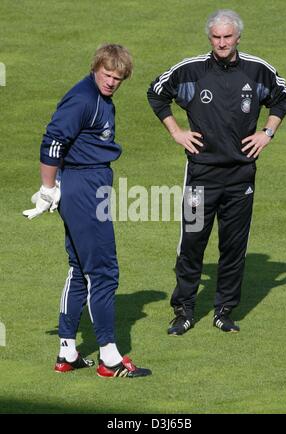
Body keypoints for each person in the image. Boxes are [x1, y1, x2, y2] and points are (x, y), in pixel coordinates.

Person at [147, 10, 286, 335]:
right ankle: (183, 311)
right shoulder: (191, 70)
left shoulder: (258, 70)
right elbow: (156, 93)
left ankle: (224, 311)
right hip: (201, 176)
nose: (222, 42)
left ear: (238, 37)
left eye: (228, 37)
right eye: (216, 37)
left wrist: (266, 134)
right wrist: (176, 132)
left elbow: (282, 98)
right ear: (209, 37)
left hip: (241, 177)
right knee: (192, 245)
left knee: (233, 247)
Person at [23, 43, 151, 378]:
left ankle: (67, 352)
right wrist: (48, 188)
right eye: (107, 75)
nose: (111, 82)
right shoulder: (83, 98)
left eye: (118, 78)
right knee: (104, 272)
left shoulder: (100, 98)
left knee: (80, 267)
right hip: (84, 188)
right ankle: (110, 358)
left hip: (86, 183)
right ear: (95, 68)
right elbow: (52, 140)